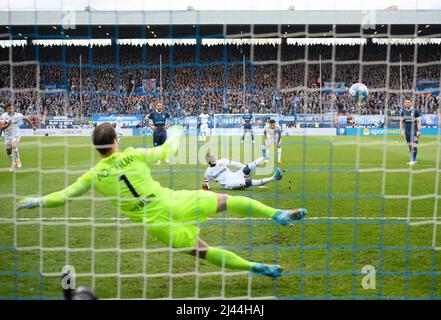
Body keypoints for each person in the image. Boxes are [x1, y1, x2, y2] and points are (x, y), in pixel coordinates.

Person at [17, 123, 307, 278]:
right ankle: (276, 214)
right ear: (116, 140)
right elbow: (169, 148)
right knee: (225, 202)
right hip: (171, 201)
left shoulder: (93, 175)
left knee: (204, 251)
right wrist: (178, 131)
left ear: (96, 148)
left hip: (156, 223)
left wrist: (38, 201)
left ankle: (254, 268)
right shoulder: (133, 155)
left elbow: (64, 196)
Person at [202, 153, 282, 190]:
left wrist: (245, 168)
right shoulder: (208, 172)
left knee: (247, 167)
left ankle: (264, 157)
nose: (214, 159)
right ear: (208, 162)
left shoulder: (222, 161)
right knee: (248, 182)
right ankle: (274, 178)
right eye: (212, 159)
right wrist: (205, 187)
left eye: (214, 158)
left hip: (235, 175)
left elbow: (236, 164)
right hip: (230, 184)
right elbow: (207, 186)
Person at [0, 102, 37, 172]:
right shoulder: (3, 116)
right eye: (9, 109)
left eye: (11, 108)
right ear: (6, 109)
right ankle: (13, 163)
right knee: (8, 152)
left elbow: (26, 119)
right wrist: (8, 124)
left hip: (16, 134)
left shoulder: (18, 115)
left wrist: (32, 126)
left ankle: (18, 159)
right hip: (7, 136)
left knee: (13, 145)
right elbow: (1, 127)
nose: (10, 110)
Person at [399, 97, 422, 165]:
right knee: (409, 145)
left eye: (408, 102)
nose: (407, 104)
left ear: (411, 103)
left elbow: (419, 121)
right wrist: (401, 131)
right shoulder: (403, 111)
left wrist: (419, 130)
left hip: (414, 130)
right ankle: (412, 158)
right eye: (406, 102)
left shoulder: (415, 111)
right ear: (404, 103)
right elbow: (401, 122)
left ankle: (414, 160)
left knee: (414, 144)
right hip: (407, 131)